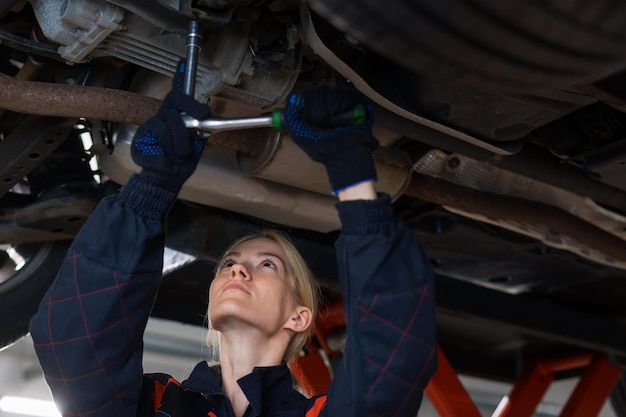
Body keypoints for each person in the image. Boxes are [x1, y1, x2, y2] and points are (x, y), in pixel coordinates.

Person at [29, 62, 438, 417]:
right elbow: (74, 343)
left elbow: (392, 359)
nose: (238, 268)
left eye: (267, 265)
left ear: (298, 317)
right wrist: (148, 191)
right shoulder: (153, 406)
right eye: (228, 264)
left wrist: (353, 174)